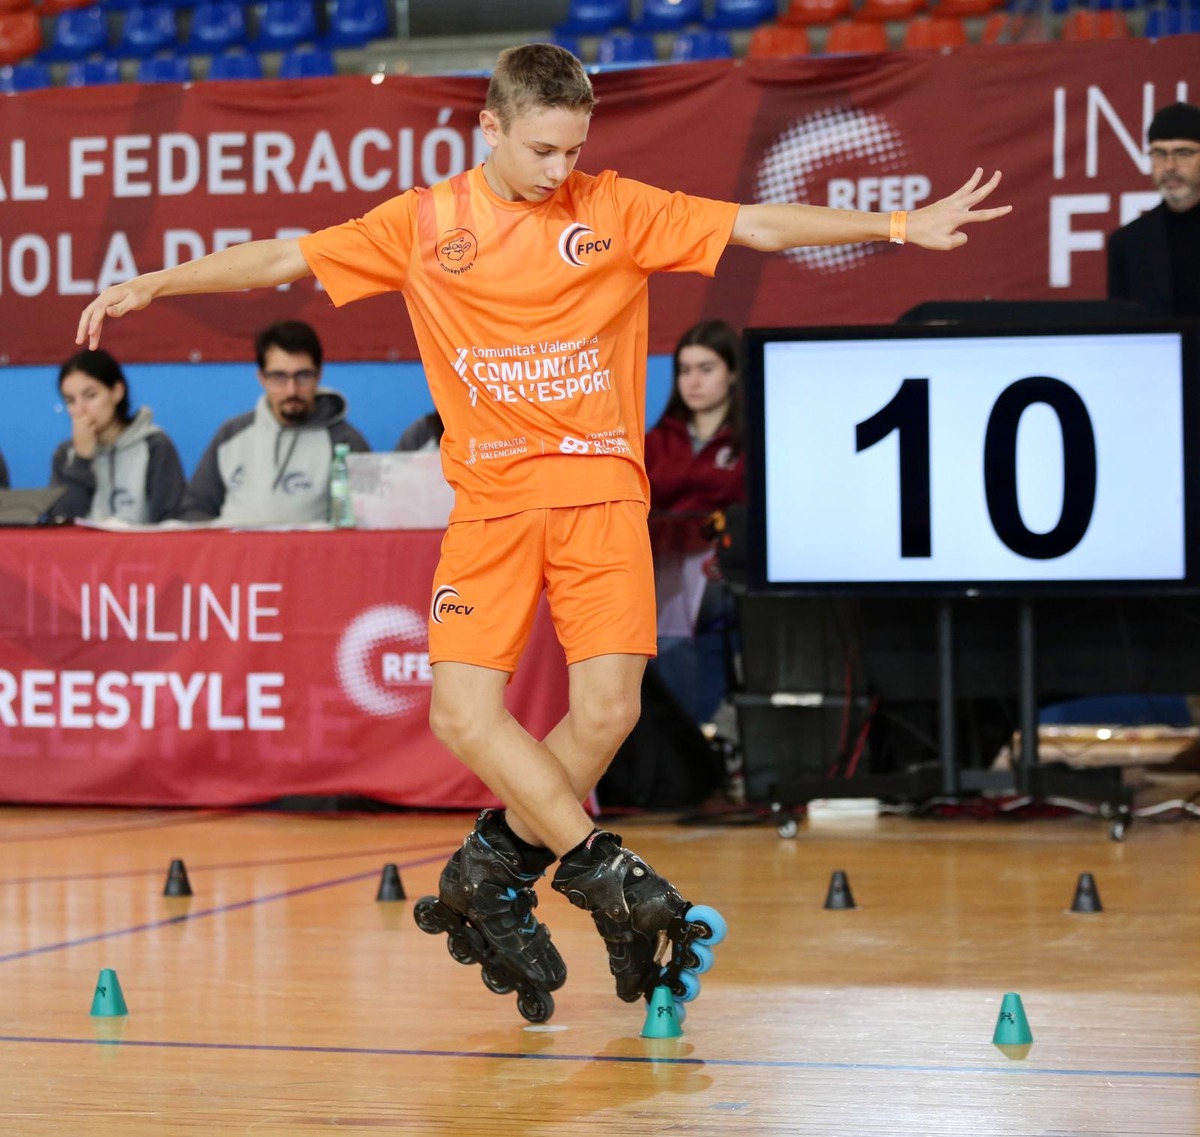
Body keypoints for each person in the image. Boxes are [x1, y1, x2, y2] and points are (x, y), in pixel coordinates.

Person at [75, 43, 1009, 1021]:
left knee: (609, 713)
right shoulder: (427, 223)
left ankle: (491, 870)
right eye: (541, 151)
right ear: (489, 129)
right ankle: (604, 872)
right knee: (460, 714)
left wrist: (902, 223)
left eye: (574, 148)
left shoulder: (616, 207)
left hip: (602, 490)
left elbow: (758, 224)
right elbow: (283, 260)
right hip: (491, 503)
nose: (561, 170)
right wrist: (159, 283)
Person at [644, 319, 745, 725]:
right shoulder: (655, 441)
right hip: (658, 571)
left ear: (733, 373)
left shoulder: (751, 439)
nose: (693, 382)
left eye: (706, 369)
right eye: (685, 370)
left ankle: (708, 730)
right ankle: (680, 741)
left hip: (726, 571)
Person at [178, 320, 370, 524]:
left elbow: (365, 524)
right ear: (262, 378)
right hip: (237, 555)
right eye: (279, 377)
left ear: (319, 375)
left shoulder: (346, 442)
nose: (292, 390)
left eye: (302, 376)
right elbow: (194, 512)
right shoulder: (231, 435)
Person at [49, 348, 186, 524]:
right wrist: (81, 460)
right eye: (70, 400)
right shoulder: (66, 454)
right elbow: (61, 523)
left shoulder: (154, 445)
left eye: (90, 395)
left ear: (117, 392)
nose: (80, 409)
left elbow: (170, 522)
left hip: (141, 549)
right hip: (84, 551)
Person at [1108, 101, 1200, 318]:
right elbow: (1123, 329)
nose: (1169, 166)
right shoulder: (1127, 242)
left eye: (1183, 153)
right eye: (1158, 154)